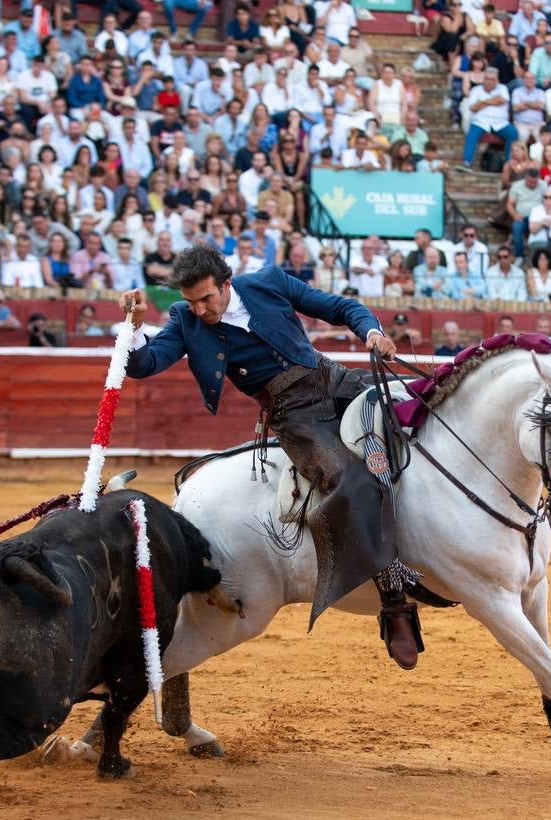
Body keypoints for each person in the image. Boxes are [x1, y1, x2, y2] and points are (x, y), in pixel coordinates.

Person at [122, 243, 423, 670]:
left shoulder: (269, 282)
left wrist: (371, 332)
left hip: (336, 381)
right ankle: (393, 604)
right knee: (346, 481)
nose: (200, 310)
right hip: (295, 416)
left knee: (419, 410)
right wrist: (134, 328)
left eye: (207, 298)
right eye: (192, 302)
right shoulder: (185, 320)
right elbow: (144, 364)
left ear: (226, 284)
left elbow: (340, 307)